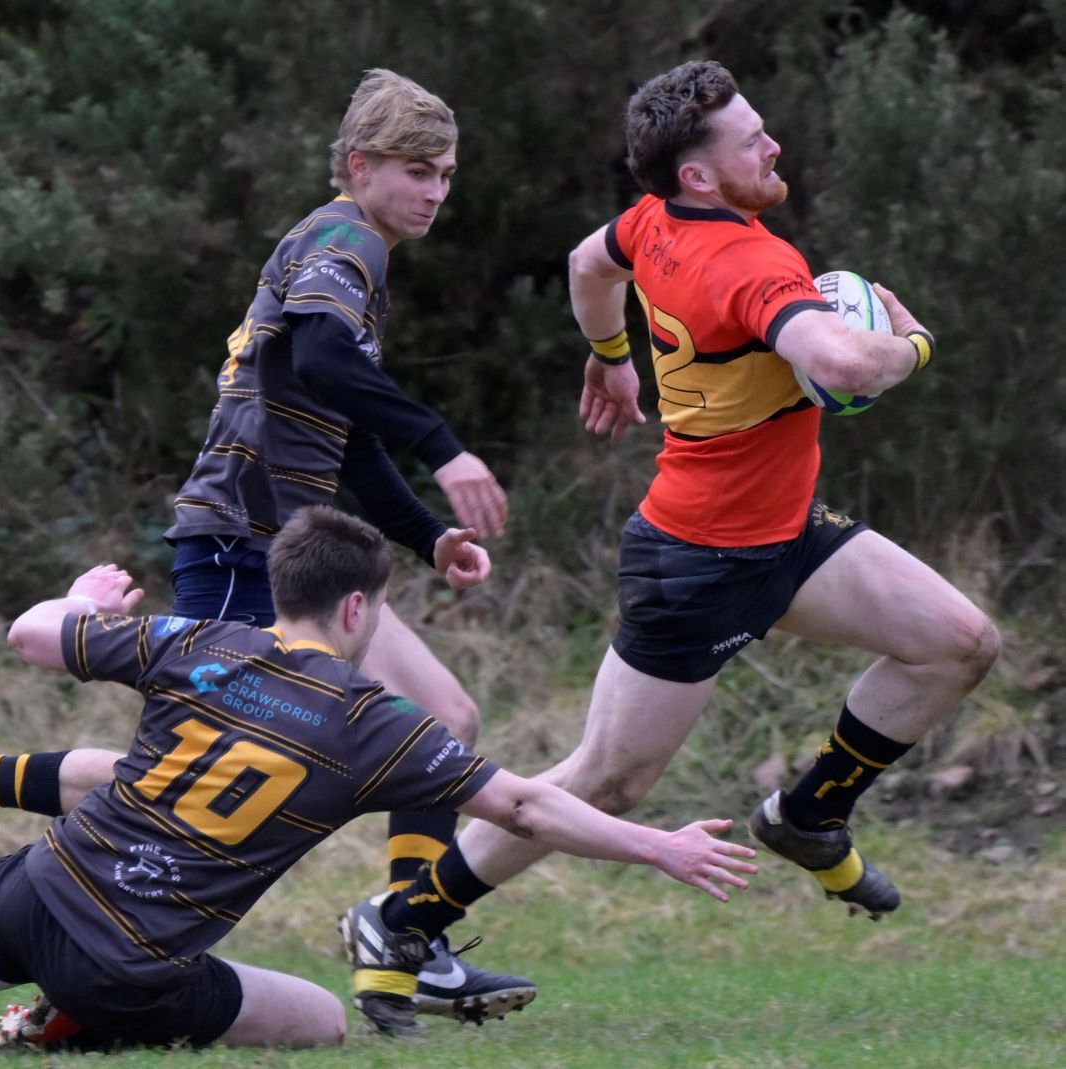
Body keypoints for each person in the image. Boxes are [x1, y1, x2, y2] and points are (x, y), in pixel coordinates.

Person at [339, 57, 1001, 1032]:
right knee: (605, 778)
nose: (770, 146)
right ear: (696, 173)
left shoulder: (654, 220)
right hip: (695, 564)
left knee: (958, 641)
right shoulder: (750, 263)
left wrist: (612, 361)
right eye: (750, 140)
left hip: (787, 537)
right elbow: (844, 361)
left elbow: (584, 265)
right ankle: (400, 919)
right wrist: (913, 343)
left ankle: (806, 813)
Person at [0, 67, 527, 1019]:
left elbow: (334, 427)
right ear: (361, 165)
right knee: (180, 780)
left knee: (443, 717)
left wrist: (429, 538)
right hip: (243, 545)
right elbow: (318, 358)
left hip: (291, 547)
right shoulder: (344, 238)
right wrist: (445, 446)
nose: (436, 192)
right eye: (419, 172)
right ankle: (64, 931)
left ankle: (404, 939)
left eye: (447, 174)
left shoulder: (349, 254)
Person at [0, 507, 757, 1050]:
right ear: (355, 609)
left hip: (29, 889)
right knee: (320, 1020)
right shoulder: (372, 724)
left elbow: (30, 633)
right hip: (125, 969)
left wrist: (79, 600)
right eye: (378, 610)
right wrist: (658, 847)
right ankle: (69, 1027)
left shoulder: (199, 642)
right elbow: (521, 804)